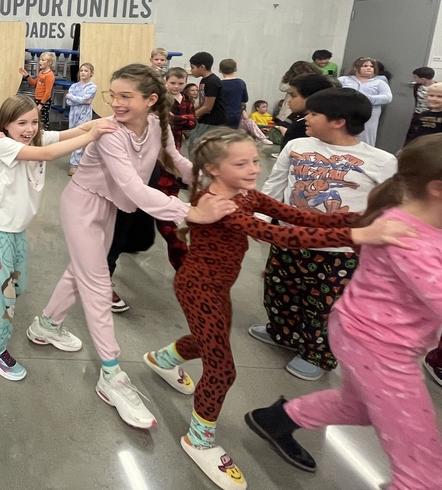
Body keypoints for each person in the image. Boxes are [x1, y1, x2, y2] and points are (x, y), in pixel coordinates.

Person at [143, 128, 410, 490]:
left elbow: (298, 217)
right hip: (197, 288)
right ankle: (199, 438)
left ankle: (161, 360)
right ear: (213, 169)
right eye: (242, 163)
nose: (254, 167)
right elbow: (282, 235)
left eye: (255, 160)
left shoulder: (248, 194)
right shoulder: (221, 204)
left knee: (208, 340)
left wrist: (357, 218)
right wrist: (356, 236)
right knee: (222, 370)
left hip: (218, 287)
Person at [33, 64, 233, 429]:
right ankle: (111, 375)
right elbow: (134, 189)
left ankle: (46, 324)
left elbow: (173, 160)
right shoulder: (110, 133)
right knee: (96, 284)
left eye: (126, 96)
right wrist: (191, 211)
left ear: (151, 100)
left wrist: (208, 181)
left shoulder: (158, 124)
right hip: (83, 205)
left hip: (109, 206)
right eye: (114, 95)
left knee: (81, 272)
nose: (116, 103)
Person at [246, 134, 441, 490]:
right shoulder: (408, 237)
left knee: (363, 407)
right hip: (380, 348)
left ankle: (277, 419)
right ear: (437, 188)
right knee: (424, 473)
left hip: (368, 337)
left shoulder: (411, 220)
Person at [250, 87, 397, 381]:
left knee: (324, 307)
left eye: (314, 114)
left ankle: (316, 353)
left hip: (340, 252)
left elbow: (389, 206)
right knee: (280, 292)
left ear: (338, 121)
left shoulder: (381, 160)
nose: (305, 117)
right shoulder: (297, 146)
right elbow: (275, 185)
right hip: (289, 239)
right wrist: (260, 218)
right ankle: (282, 331)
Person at [0, 95, 114, 380]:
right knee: (5, 300)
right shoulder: (3, 144)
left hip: (16, 230)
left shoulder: (36, 139)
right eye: (21, 123)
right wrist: (94, 134)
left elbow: (74, 131)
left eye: (35, 122)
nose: (29, 129)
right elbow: (49, 155)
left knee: (18, 285)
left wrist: (108, 121)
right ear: (6, 125)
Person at [153, 66, 196, 272]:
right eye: (173, 83)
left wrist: (173, 119)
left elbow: (191, 123)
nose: (177, 86)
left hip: (171, 162)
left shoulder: (186, 101)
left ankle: (182, 263)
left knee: (167, 212)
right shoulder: (158, 108)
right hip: (153, 168)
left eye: (181, 83)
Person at [338, 58, 392, 146]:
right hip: (345, 111)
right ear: (355, 68)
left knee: (366, 137)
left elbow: (387, 97)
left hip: (369, 114)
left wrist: (365, 98)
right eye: (365, 66)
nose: (369, 68)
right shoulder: (343, 80)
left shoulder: (379, 82)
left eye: (372, 66)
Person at [275, 73, 335, 147]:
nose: (289, 101)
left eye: (293, 96)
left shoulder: (311, 126)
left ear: (311, 97)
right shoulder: (296, 117)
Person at [187, 52, 225, 155]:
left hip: (212, 121)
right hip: (205, 119)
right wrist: (188, 111)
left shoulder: (212, 82)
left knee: (197, 147)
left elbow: (208, 107)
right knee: (192, 143)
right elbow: (202, 102)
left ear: (202, 67)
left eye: (193, 67)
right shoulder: (204, 81)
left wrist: (190, 117)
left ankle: (198, 169)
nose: (191, 71)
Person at [66, 62, 97, 176]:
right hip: (73, 114)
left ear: (91, 73)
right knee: (72, 137)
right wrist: (80, 100)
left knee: (80, 137)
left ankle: (74, 164)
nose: (83, 73)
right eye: (82, 70)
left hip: (84, 115)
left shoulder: (93, 87)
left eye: (86, 71)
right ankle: (75, 160)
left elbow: (83, 99)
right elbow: (69, 102)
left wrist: (72, 97)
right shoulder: (74, 86)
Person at [18, 51, 56, 130]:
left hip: (44, 101)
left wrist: (41, 104)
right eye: (40, 60)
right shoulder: (41, 72)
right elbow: (34, 82)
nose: (40, 62)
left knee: (43, 120)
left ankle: (44, 135)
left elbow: (48, 92)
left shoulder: (49, 75)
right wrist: (27, 76)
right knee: (37, 118)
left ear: (49, 62)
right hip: (37, 99)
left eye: (42, 60)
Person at [218, 59, 248, 128]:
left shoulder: (220, 84)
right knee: (232, 134)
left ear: (220, 70)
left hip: (222, 114)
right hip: (236, 113)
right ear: (235, 69)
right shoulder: (241, 83)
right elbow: (245, 99)